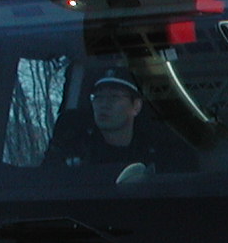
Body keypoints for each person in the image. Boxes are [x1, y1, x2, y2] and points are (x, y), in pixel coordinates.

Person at [42, 72, 190, 179]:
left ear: (136, 107)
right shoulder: (72, 149)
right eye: (98, 97)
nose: (104, 104)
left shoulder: (161, 153)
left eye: (114, 97)